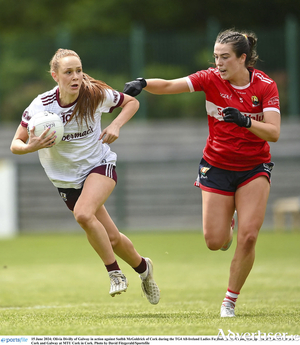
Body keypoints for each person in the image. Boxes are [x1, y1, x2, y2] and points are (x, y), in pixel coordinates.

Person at [123, 28, 280, 317]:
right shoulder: (209, 79)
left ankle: (229, 301)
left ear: (242, 58)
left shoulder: (265, 86)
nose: (218, 63)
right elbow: (170, 86)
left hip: (254, 168)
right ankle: (227, 227)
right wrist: (144, 83)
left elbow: (273, 133)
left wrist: (246, 122)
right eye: (215, 57)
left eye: (224, 58)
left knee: (249, 237)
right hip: (217, 166)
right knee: (214, 242)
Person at [10, 48, 160, 305]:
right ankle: (144, 268)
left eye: (78, 70)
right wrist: (31, 147)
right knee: (112, 238)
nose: (76, 76)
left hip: (99, 165)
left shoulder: (95, 94)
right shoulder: (41, 106)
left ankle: (114, 273)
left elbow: (131, 102)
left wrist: (115, 125)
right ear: (55, 76)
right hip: (66, 180)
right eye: (68, 72)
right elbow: (16, 144)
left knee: (83, 214)